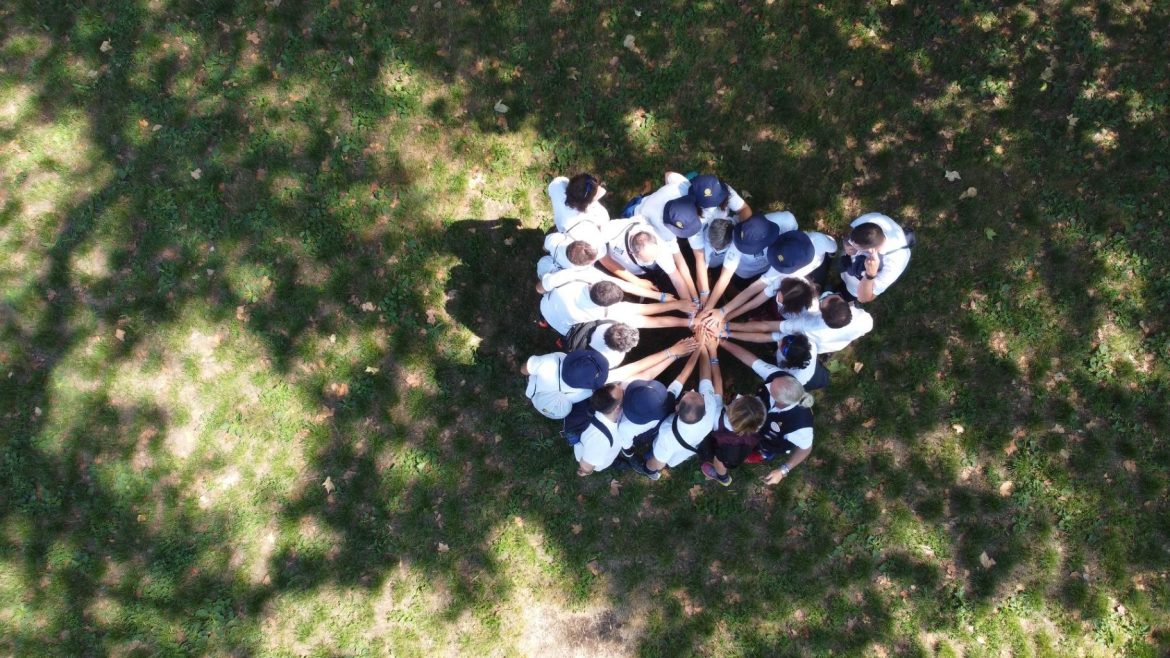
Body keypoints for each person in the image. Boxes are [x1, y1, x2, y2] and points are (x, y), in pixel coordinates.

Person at [636, 338, 722, 480]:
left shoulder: (666, 434)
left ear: (676, 408)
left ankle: (650, 473)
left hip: (668, 448)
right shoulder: (710, 405)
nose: (692, 389)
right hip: (687, 446)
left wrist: (651, 468)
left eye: (685, 394)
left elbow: (658, 462)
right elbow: (706, 377)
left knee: (652, 459)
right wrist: (702, 346)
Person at [698, 212, 792, 318]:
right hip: (745, 272)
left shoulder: (786, 221)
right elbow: (725, 277)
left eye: (749, 249)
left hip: (770, 268)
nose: (740, 248)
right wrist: (707, 309)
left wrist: (723, 312)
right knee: (740, 284)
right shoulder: (738, 241)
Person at [724, 293, 873, 354]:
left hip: (802, 341)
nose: (826, 295)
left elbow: (768, 327)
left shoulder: (806, 323)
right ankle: (726, 334)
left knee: (774, 336)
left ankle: (726, 331)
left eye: (822, 301)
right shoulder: (864, 321)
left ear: (821, 314)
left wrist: (728, 325)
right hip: (826, 346)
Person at [538, 278, 693, 336]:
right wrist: (677, 304)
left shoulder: (580, 277)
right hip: (563, 328)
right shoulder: (606, 312)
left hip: (545, 305)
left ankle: (545, 320)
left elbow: (540, 287)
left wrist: (664, 298)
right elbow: (647, 315)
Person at [598, 215, 691, 298]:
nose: (653, 261)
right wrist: (637, 281)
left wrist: (689, 303)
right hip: (614, 264)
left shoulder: (661, 249)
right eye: (647, 260)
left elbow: (675, 278)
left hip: (639, 270)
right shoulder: (613, 229)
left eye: (654, 258)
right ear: (632, 252)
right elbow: (602, 257)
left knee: (658, 269)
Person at [838, 212, 911, 303]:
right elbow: (850, 228)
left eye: (855, 246)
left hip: (855, 287)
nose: (850, 243)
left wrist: (870, 274)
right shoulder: (873, 220)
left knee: (846, 294)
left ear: (871, 250)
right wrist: (846, 242)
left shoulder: (895, 264)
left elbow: (864, 298)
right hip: (848, 268)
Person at [521, 348, 611, 420]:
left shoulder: (552, 361)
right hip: (555, 411)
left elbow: (524, 370)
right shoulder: (588, 391)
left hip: (534, 394)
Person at [698, 394, 767, 486]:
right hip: (746, 442)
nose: (735, 398)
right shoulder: (758, 413)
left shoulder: (718, 419)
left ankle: (723, 478)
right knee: (741, 453)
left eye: (735, 401)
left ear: (730, 413)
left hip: (727, 448)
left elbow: (718, 402)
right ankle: (750, 456)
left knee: (719, 461)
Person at [574, 383, 631, 476]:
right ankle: (614, 462)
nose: (622, 388)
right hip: (598, 455)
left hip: (605, 448)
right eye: (623, 393)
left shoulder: (603, 405)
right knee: (607, 457)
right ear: (617, 408)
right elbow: (586, 467)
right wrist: (585, 472)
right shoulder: (599, 441)